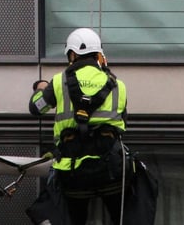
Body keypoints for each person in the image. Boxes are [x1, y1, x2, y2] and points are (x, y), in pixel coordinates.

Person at [28, 28, 133, 225]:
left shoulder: (59, 81)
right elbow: (122, 124)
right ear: (98, 55)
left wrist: (41, 89)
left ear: (72, 54)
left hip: (73, 173)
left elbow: (36, 108)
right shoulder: (118, 85)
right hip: (111, 172)